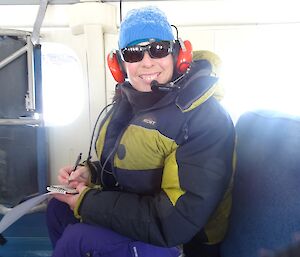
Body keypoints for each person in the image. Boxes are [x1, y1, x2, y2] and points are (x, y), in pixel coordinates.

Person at [46, 6, 235, 257]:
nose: (147, 62)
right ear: (119, 64)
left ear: (178, 54)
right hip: (146, 218)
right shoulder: (130, 103)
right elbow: (127, 164)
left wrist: (88, 201)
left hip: (185, 242)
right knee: (56, 212)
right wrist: (90, 174)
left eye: (158, 49)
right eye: (133, 53)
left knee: (77, 240)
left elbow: (175, 221)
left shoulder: (204, 118)